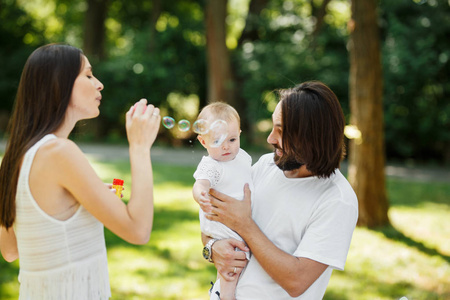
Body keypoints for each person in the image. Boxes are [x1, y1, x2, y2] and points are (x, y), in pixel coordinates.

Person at [0, 43, 160, 300]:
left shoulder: (17, 157)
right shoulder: (60, 152)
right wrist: (140, 147)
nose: (99, 84)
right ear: (58, 84)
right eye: (87, 75)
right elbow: (138, 230)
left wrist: (79, 207)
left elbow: (10, 249)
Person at [202, 81, 359, 299]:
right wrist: (211, 247)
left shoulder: (337, 200)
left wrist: (244, 225)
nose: (270, 139)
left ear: (313, 137)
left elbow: (296, 281)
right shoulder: (266, 165)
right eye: (272, 127)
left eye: (281, 131)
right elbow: (215, 220)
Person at [192, 102, 253, 300]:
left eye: (232, 139)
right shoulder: (211, 165)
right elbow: (201, 183)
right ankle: (225, 296)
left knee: (239, 264)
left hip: (239, 220)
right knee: (231, 269)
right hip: (222, 225)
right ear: (203, 142)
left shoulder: (242, 157)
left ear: (240, 134)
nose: (226, 146)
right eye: (217, 141)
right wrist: (200, 193)